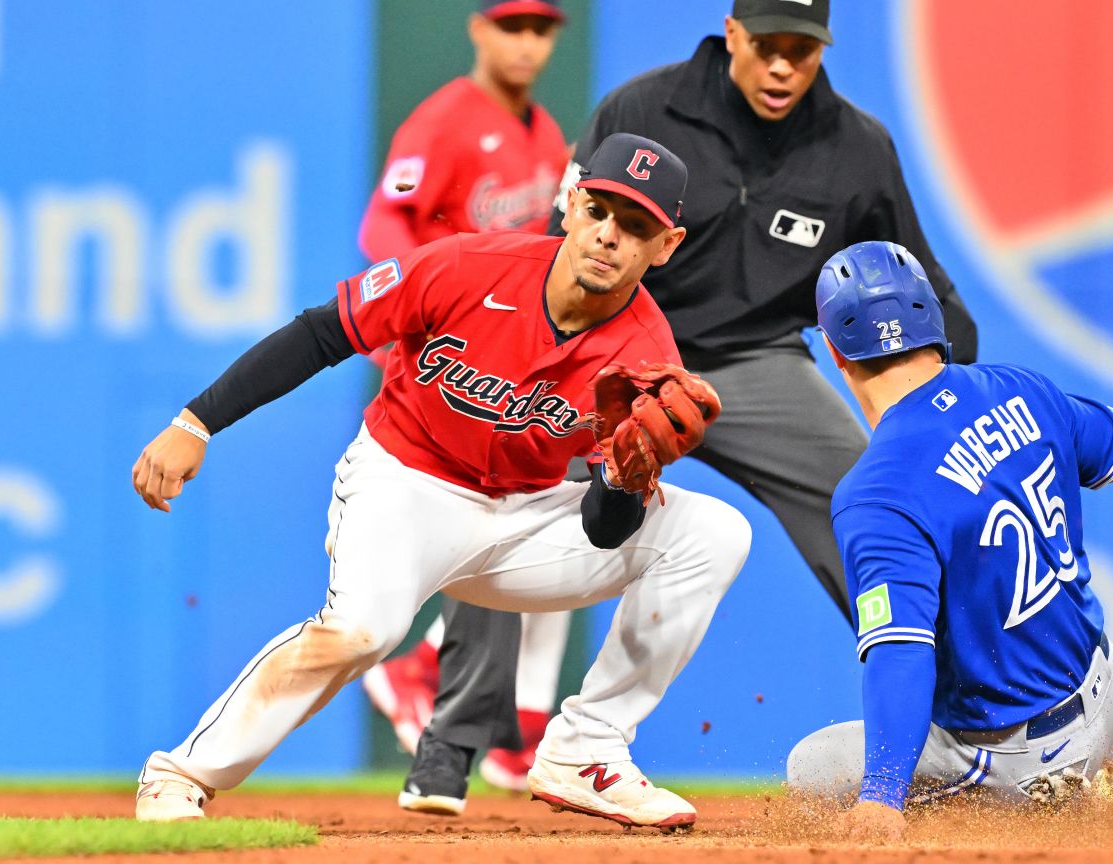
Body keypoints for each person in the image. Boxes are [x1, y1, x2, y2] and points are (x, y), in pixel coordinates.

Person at [406, 0, 982, 814]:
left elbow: (920, 278)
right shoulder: (644, 109)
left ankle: (980, 727)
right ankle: (451, 744)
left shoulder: (855, 148)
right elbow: (554, 241)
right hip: (617, 351)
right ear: (734, 35)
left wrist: (960, 378)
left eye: (804, 50)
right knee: (511, 479)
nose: (785, 67)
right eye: (771, 46)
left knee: (869, 498)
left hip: (756, 363)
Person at [129, 133, 751, 833]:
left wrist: (625, 476)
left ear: (665, 246)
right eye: (601, 211)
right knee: (363, 633)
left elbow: (602, 532)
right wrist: (197, 421)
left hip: (529, 519)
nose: (610, 237)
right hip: (406, 484)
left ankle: (587, 749)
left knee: (717, 531)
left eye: (635, 227)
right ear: (572, 205)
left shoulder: (647, 353)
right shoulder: (467, 265)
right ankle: (179, 775)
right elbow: (323, 334)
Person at [784, 241, 1113, 842]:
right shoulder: (1020, 385)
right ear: (933, 319)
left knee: (813, 768)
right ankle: (1088, 772)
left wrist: (881, 799)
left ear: (835, 354)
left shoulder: (877, 490)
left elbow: (901, 650)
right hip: (1108, 694)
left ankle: (1047, 797)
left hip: (1017, 755)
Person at [355, 0, 577, 808]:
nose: (526, 41)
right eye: (511, 25)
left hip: (510, 361)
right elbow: (385, 220)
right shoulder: (444, 121)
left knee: (555, 515)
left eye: (540, 28)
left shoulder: (545, 135)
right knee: (515, 521)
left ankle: (456, 687)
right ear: (478, 28)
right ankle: (473, 702)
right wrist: (420, 310)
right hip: (447, 357)